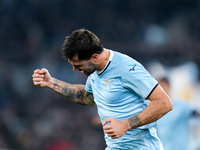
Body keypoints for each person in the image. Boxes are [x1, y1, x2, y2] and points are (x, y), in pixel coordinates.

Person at [32, 29, 173, 150]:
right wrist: (51, 83)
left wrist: (125, 125)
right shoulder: (94, 72)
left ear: (95, 57)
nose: (75, 69)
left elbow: (164, 103)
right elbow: (86, 97)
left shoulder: (126, 68)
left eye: (78, 65)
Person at [157, 77, 200, 150]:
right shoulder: (154, 110)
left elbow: (196, 113)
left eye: (164, 86)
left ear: (169, 87)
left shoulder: (181, 106)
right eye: (160, 87)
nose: (162, 89)